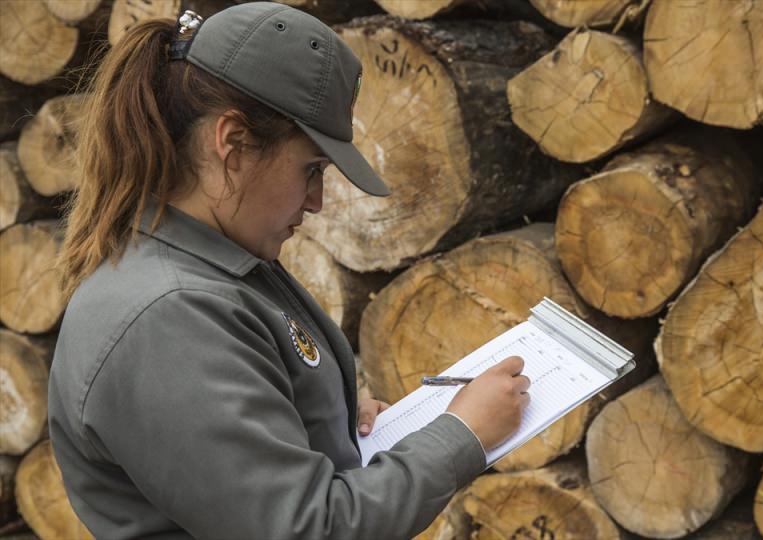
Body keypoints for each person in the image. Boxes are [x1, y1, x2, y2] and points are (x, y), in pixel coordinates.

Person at [47, 3, 531, 538]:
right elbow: (308, 528)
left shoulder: (215, 267)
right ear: (232, 144)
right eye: (312, 169)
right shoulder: (168, 318)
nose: (318, 200)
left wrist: (322, 419)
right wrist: (462, 434)